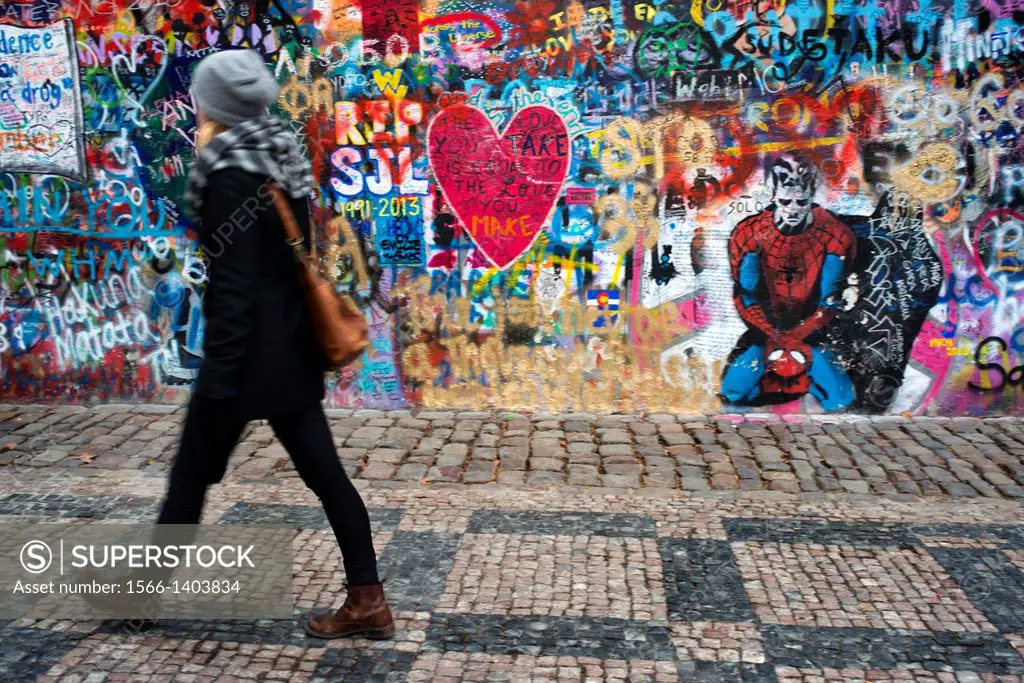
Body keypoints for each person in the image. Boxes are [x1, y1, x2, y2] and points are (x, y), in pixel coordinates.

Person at [163, 49, 391, 639]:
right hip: (287, 355)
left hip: (241, 362)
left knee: (190, 477)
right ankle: (367, 599)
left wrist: (218, 375)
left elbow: (234, 285)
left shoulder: (225, 170)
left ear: (214, 104)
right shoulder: (278, 155)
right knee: (327, 477)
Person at [720, 153, 857, 411]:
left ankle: (807, 385)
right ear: (773, 196)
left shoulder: (833, 234)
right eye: (786, 201)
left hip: (814, 328)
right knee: (732, 391)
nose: (793, 208)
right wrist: (771, 332)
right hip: (764, 327)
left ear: (811, 197)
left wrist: (798, 336)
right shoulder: (751, 233)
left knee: (840, 399)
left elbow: (830, 297)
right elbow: (744, 292)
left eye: (800, 201)